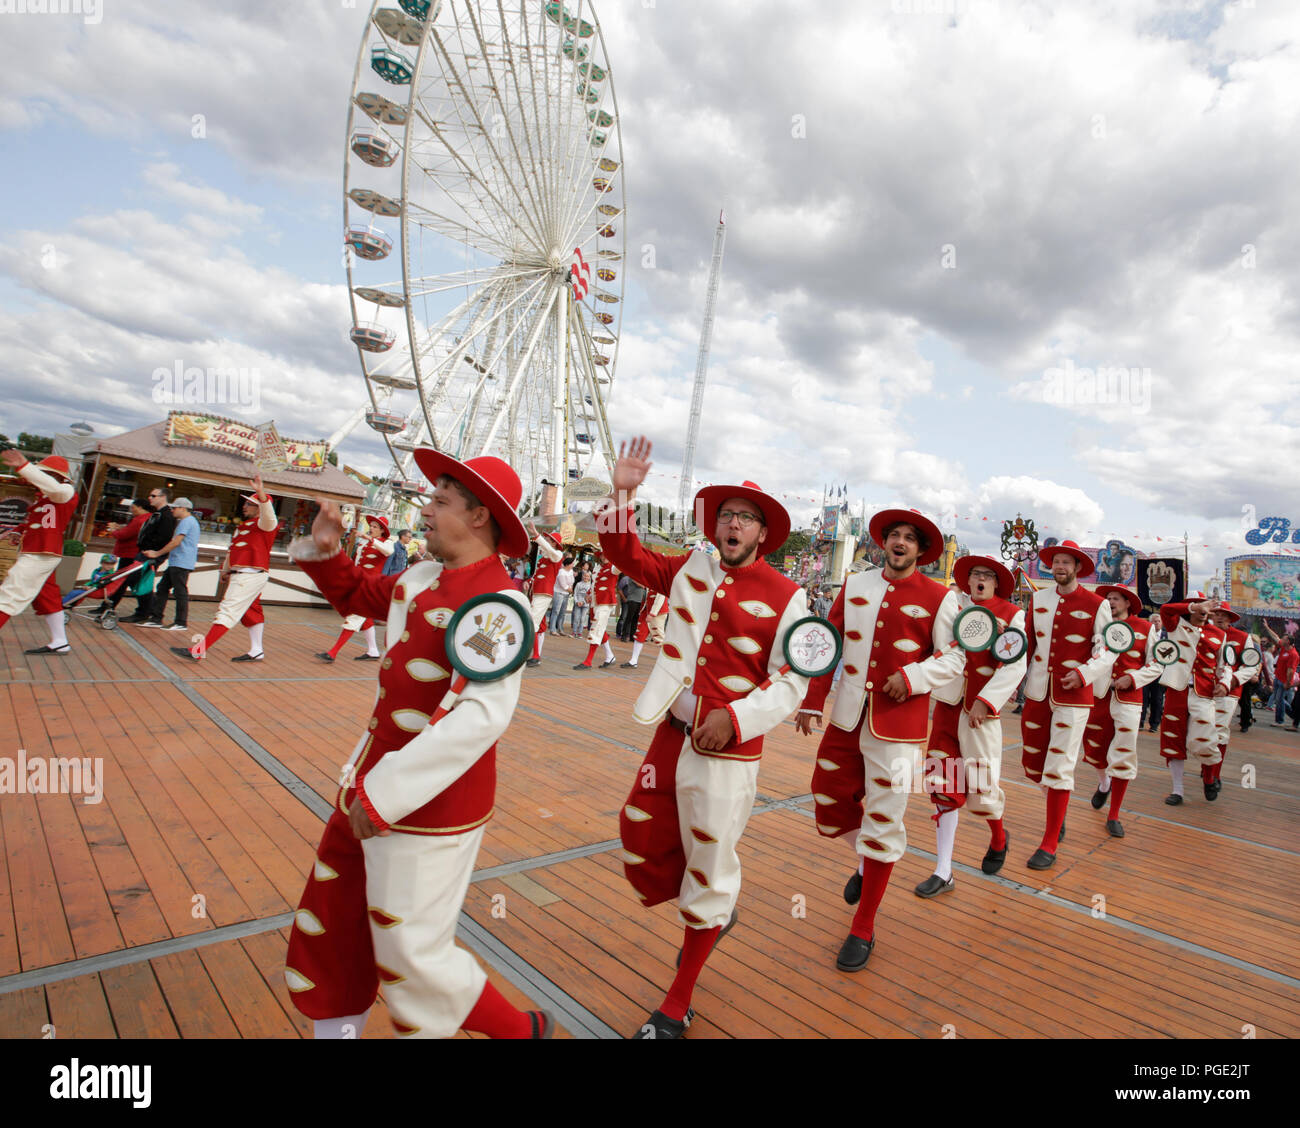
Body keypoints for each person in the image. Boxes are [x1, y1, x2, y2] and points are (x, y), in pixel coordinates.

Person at [283, 451, 552, 1039]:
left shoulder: (501, 605)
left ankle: (520, 1032)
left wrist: (382, 797)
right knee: (339, 923)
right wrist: (327, 551)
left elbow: (479, 718)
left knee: (410, 951)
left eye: (439, 501)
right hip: (368, 785)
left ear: (479, 516)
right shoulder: (421, 578)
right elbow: (358, 596)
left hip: (431, 805)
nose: (424, 510)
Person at [596, 436, 809, 1039]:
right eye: (725, 515)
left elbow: (793, 680)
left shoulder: (789, 597)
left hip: (729, 754)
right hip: (670, 734)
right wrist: (622, 492)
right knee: (640, 825)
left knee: (710, 866)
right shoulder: (690, 568)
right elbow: (629, 558)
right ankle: (712, 913)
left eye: (744, 517)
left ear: (763, 535)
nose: (732, 524)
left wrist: (737, 718)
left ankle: (677, 1002)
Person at [795, 508, 962, 971]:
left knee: (885, 820)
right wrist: (813, 699)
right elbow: (826, 642)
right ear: (882, 542)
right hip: (847, 716)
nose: (901, 542)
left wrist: (912, 677)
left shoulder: (939, 596)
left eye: (910, 538)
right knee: (827, 798)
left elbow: (954, 661)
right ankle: (868, 863)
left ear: (921, 550)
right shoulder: (856, 584)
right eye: (894, 535)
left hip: (902, 730)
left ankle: (863, 927)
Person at [916, 555, 1026, 895]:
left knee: (983, 784)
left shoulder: (1012, 614)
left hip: (982, 713)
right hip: (948, 706)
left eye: (986, 576)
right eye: (975, 574)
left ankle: (998, 836)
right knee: (942, 783)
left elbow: (1015, 665)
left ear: (997, 583)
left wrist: (987, 700)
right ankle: (944, 870)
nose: (979, 580)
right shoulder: (954, 606)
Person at [1019, 540, 1116, 870]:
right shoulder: (1038, 599)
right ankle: (1056, 817)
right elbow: (1027, 646)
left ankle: (1048, 843)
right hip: (1037, 692)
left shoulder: (1097, 603)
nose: (1059, 566)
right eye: (1055, 561)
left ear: (1077, 567)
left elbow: (1107, 650)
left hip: (1073, 698)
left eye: (1066, 562)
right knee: (1036, 762)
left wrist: (1085, 673)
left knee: (1060, 764)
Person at [1080, 585, 1162, 838]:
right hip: (1099, 695)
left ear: (1127, 603)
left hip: (1129, 699)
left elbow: (1157, 663)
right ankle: (1104, 783)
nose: (1110, 602)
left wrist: (1134, 678)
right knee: (1093, 745)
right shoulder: (1099, 625)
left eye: (1115, 599)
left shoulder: (1146, 629)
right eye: (1107, 599)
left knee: (1124, 752)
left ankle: (1114, 814)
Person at [169, 476, 280, 663]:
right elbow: (233, 551)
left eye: (250, 504)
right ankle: (257, 650)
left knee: (228, 611)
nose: (244, 506)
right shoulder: (244, 526)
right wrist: (225, 569)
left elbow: (269, 514)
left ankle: (198, 650)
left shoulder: (265, 524)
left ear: (259, 507)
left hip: (250, 575)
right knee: (251, 611)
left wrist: (261, 494)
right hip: (244, 574)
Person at [0, 450, 78, 655]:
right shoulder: (44, 497)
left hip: (42, 553)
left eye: (43, 473)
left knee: (10, 592)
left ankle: (60, 641)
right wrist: (19, 531)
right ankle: (60, 641)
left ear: (57, 476)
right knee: (47, 596)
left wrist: (25, 466)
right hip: (41, 551)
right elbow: (38, 523)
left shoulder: (66, 491)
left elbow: (56, 490)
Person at [1157, 595, 1230, 804]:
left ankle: (1208, 779)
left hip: (1204, 692)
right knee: (1173, 739)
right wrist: (1193, 606)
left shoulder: (1218, 634)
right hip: (1176, 689)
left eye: (1205, 606)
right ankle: (1177, 790)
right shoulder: (1175, 625)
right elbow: (1165, 609)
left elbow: (1224, 666)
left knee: (1206, 737)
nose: (1202, 610)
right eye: (1197, 606)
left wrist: (1224, 683)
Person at [318, 516, 392, 662]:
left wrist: (369, 538)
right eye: (371, 526)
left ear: (383, 530)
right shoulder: (364, 543)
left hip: (371, 586)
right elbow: (356, 562)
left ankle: (333, 653)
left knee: (354, 616)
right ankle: (373, 651)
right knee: (365, 619)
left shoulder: (386, 542)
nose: (371, 528)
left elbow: (388, 551)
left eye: (375, 527)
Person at [139, 497, 200, 631]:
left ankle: (180, 622)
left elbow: (176, 542)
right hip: (179, 561)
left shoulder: (186, 522)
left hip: (181, 561)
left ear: (183, 509)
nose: (172, 510)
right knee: (163, 588)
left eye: (175, 508)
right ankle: (156, 618)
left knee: (179, 591)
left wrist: (157, 553)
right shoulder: (189, 521)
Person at [117, 488, 177, 623]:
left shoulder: (166, 515)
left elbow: (164, 537)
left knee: (138, 579)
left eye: (153, 495)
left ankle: (145, 611)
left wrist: (154, 552)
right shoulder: (157, 513)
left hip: (150, 553)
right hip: (144, 552)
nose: (150, 498)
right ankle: (148, 609)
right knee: (136, 579)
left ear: (163, 497)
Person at [89, 499, 148, 618]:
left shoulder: (139, 520)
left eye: (133, 507)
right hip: (134, 555)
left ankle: (145, 608)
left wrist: (113, 530)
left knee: (120, 582)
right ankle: (108, 606)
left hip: (129, 555)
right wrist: (121, 528)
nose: (132, 510)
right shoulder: (146, 519)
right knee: (124, 583)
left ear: (141, 507)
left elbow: (124, 535)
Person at [524, 524, 563, 667]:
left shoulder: (557, 555)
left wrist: (536, 535)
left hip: (543, 594)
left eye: (549, 539)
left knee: (532, 622)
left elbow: (548, 549)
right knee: (538, 625)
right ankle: (536, 654)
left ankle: (534, 655)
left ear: (554, 543)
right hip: (537, 592)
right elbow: (537, 575)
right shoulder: (543, 559)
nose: (546, 540)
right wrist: (529, 581)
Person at [573, 559, 618, 670]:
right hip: (595, 602)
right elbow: (594, 583)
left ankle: (588, 661)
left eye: (605, 554)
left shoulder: (613, 566)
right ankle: (610, 656)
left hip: (605, 602)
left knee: (596, 629)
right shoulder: (598, 567)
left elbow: (621, 566)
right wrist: (589, 594)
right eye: (601, 554)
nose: (603, 556)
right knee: (599, 629)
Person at [624, 588, 667, 669]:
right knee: (639, 634)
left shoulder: (659, 579)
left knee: (659, 637)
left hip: (657, 612)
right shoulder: (650, 579)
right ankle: (633, 661)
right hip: (646, 610)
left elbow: (660, 597)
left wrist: (652, 613)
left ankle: (670, 661)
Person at [550, 555, 576, 635]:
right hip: (559, 593)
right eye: (572, 564)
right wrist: (572, 591)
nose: (573, 565)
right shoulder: (561, 572)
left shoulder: (571, 571)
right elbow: (563, 585)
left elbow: (572, 582)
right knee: (556, 611)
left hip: (566, 593)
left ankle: (560, 628)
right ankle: (552, 629)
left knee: (562, 612)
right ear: (568, 564)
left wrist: (571, 589)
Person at [617, 572, 646, 641]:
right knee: (629, 618)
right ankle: (624, 635)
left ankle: (632, 636)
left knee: (635, 619)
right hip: (633, 600)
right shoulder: (632, 576)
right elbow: (642, 585)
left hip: (639, 600)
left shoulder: (640, 577)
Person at [570, 567, 593, 637]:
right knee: (576, 618)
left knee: (582, 619)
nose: (586, 577)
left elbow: (589, 596)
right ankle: (574, 632)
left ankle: (580, 632)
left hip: (585, 605)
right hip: (577, 604)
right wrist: (577, 602)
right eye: (585, 576)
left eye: (587, 576)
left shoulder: (590, 586)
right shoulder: (578, 584)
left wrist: (583, 602)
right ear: (582, 576)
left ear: (590, 578)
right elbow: (575, 594)